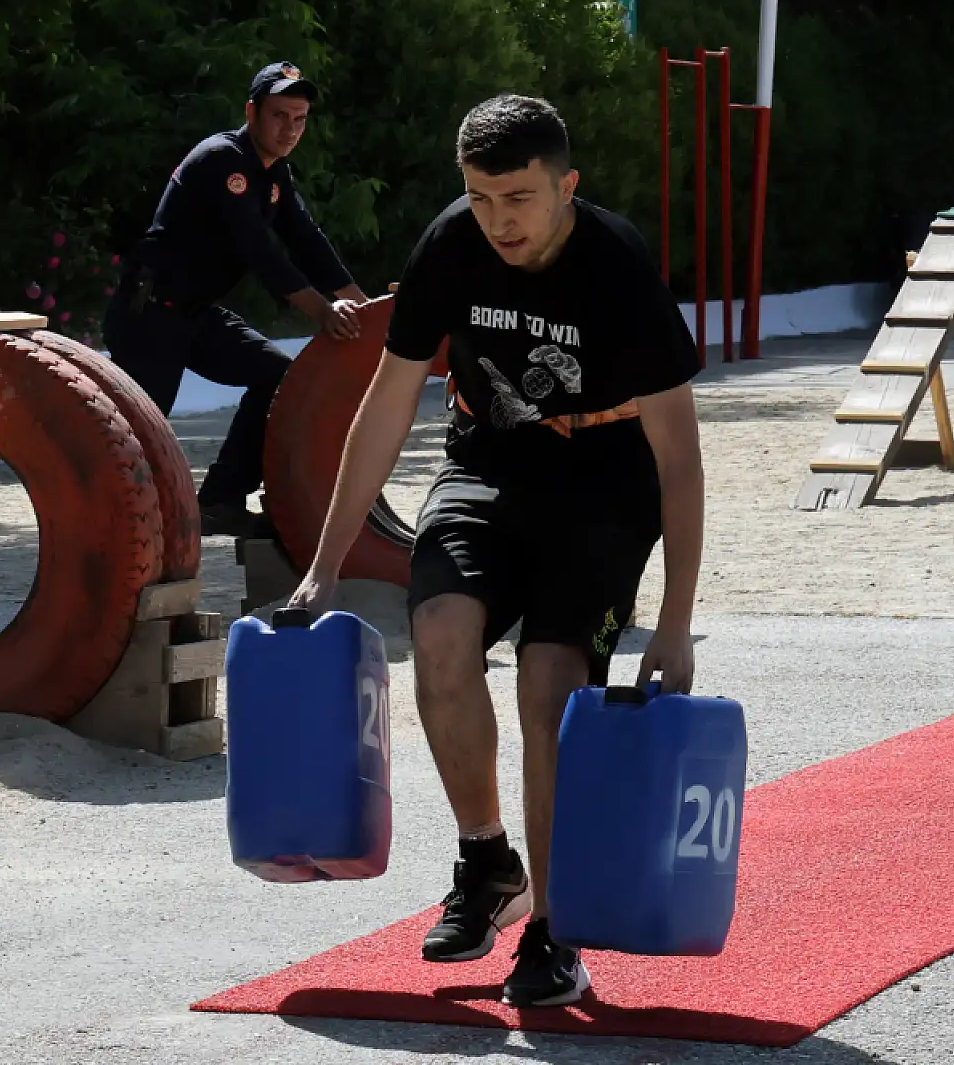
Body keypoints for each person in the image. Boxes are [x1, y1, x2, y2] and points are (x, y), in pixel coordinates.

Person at [286, 95, 705, 1006]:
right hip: (489, 459)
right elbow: (387, 402)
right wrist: (323, 566)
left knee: (549, 683)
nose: (498, 220)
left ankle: (555, 927)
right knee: (439, 631)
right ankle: (487, 863)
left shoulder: (617, 264)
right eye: (480, 197)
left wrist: (675, 624)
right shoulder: (451, 243)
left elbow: (678, 454)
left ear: (566, 185)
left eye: (517, 198)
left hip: (606, 479)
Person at [104, 61, 371, 538]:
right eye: (279, 116)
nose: (290, 129)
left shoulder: (274, 172)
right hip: (149, 315)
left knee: (281, 378)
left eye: (300, 119)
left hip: (195, 315)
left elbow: (305, 239)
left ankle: (220, 501)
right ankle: (107, 533)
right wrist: (322, 312)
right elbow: (259, 251)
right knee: (141, 435)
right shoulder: (222, 160)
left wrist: (363, 307)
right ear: (252, 112)